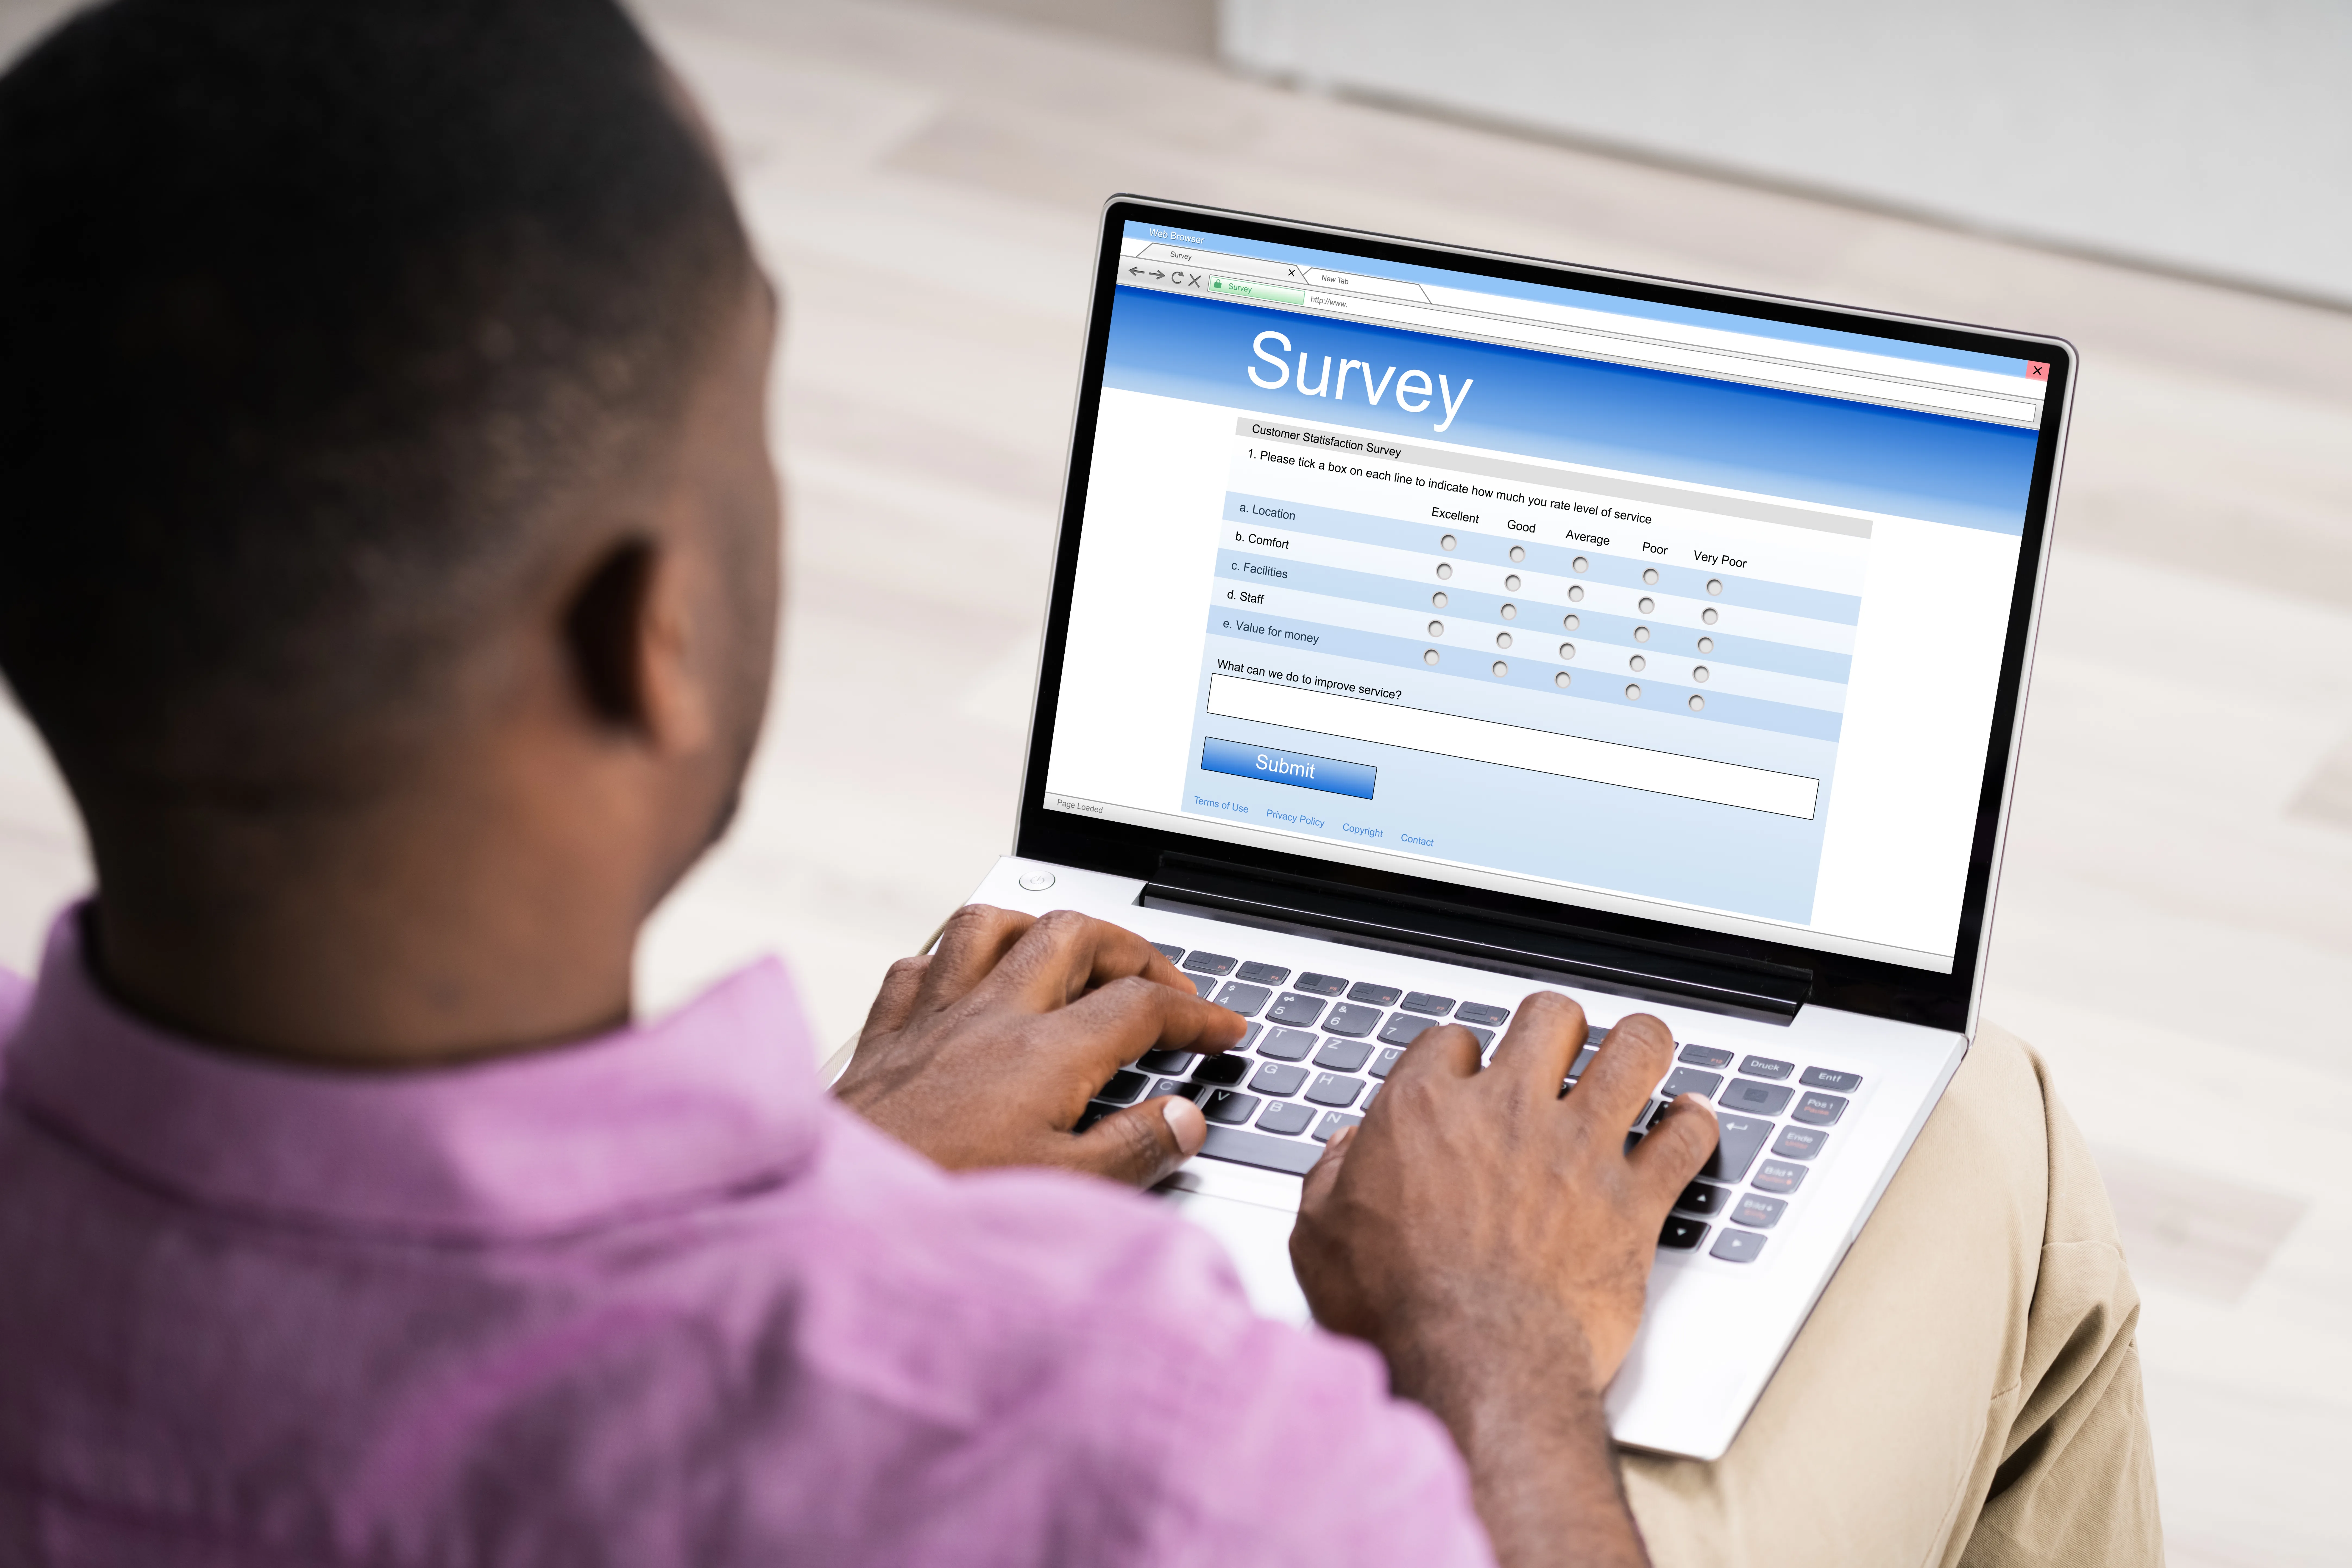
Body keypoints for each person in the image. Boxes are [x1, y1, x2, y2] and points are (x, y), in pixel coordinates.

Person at [0, 2, 2160, 1563]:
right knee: (1987, 1134)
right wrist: (1489, 1338)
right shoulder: (1102, 1426)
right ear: (645, 633)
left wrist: (831, 1181)